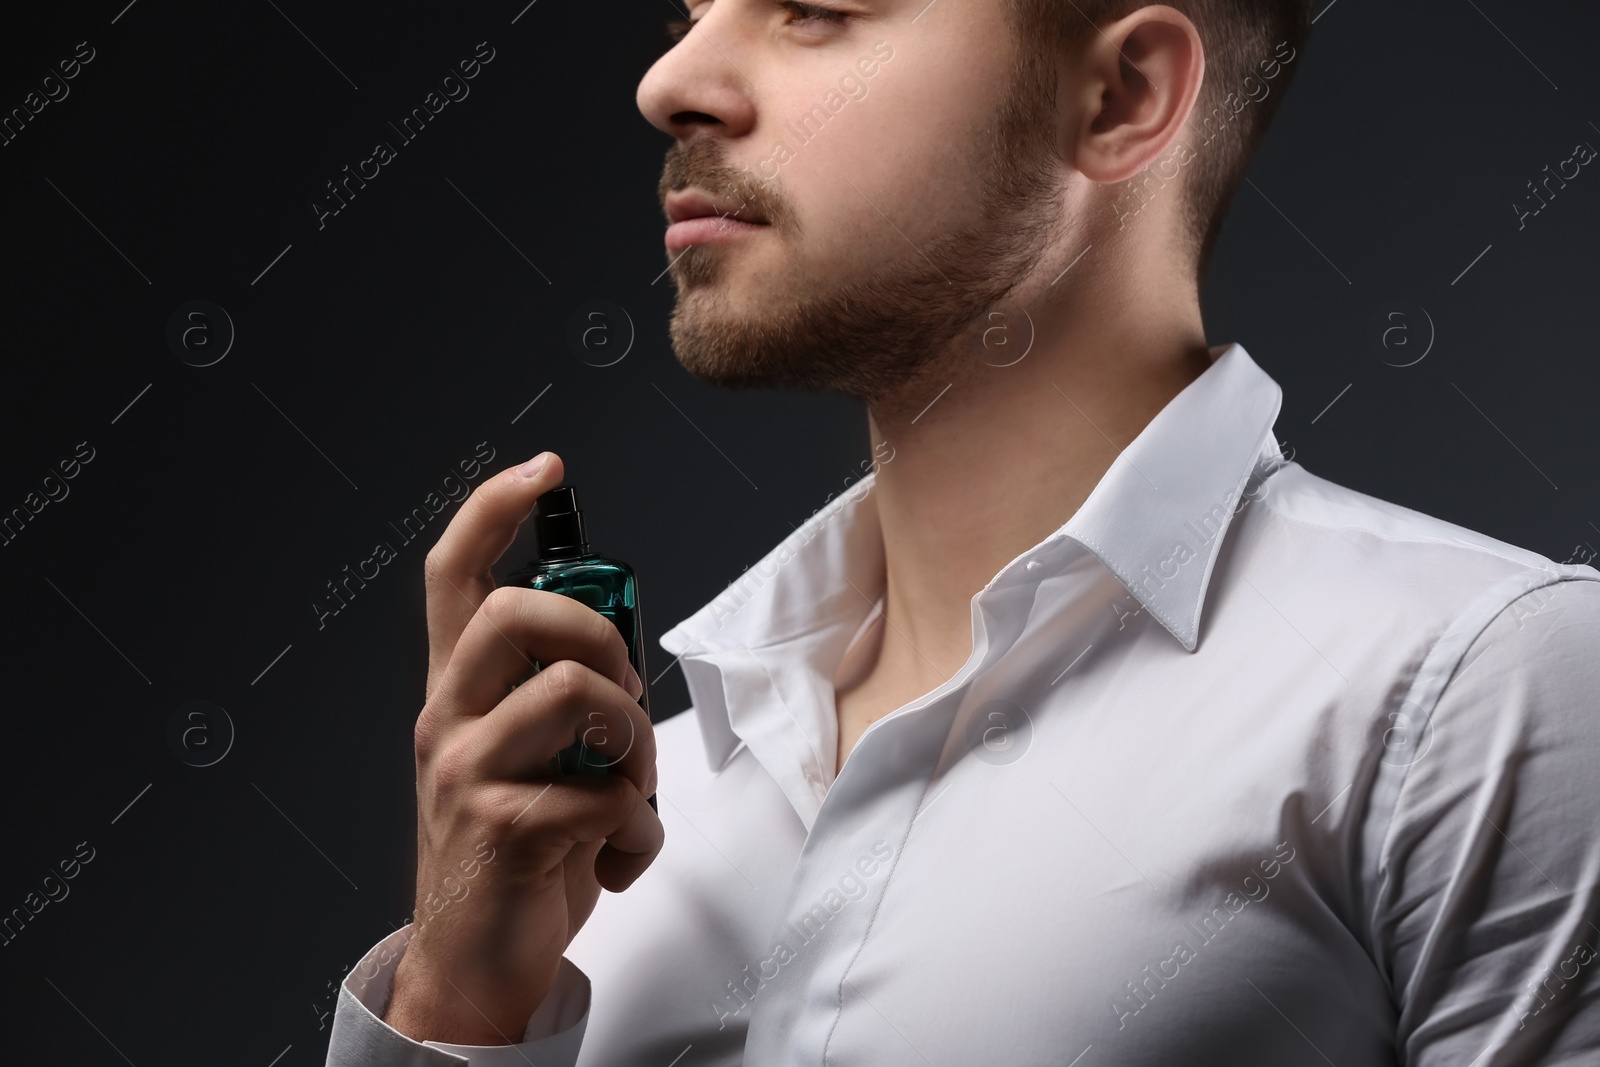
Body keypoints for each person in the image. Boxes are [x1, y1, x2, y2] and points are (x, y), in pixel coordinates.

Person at [326, 1, 1600, 1063]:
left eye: (813, 10)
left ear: (1120, 99)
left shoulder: (1481, 695)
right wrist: (450, 1004)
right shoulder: (629, 826)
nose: (672, 80)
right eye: (689, 10)